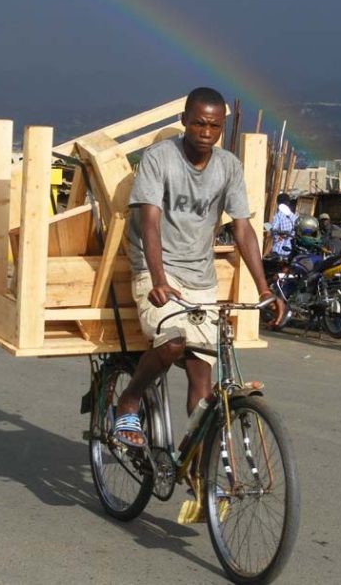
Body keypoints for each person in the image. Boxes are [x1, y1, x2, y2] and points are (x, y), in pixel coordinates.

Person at [116, 87, 285, 446]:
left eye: (214, 126)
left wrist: (265, 288)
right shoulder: (159, 158)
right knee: (173, 343)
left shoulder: (228, 166)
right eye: (198, 124)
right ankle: (128, 400)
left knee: (201, 378)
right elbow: (148, 221)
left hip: (200, 276)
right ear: (184, 121)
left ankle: (198, 468)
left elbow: (243, 228)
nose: (206, 133)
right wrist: (158, 279)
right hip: (157, 270)